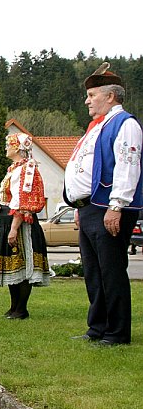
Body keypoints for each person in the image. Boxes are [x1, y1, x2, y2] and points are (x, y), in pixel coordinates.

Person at [64, 63, 142, 346]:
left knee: (111, 271)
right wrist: (77, 204)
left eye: (92, 94)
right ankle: (97, 327)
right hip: (89, 208)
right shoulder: (97, 127)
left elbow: (127, 167)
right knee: (94, 272)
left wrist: (116, 206)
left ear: (110, 96)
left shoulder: (125, 125)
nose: (87, 100)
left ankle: (117, 332)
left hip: (107, 207)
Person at [0, 134, 51, 319]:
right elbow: (11, 198)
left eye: (8, 145)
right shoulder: (14, 168)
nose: (6, 148)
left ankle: (21, 309)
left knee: (22, 265)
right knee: (13, 266)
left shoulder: (27, 169)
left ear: (18, 148)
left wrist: (14, 228)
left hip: (20, 223)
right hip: (8, 219)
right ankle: (14, 307)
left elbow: (24, 201)